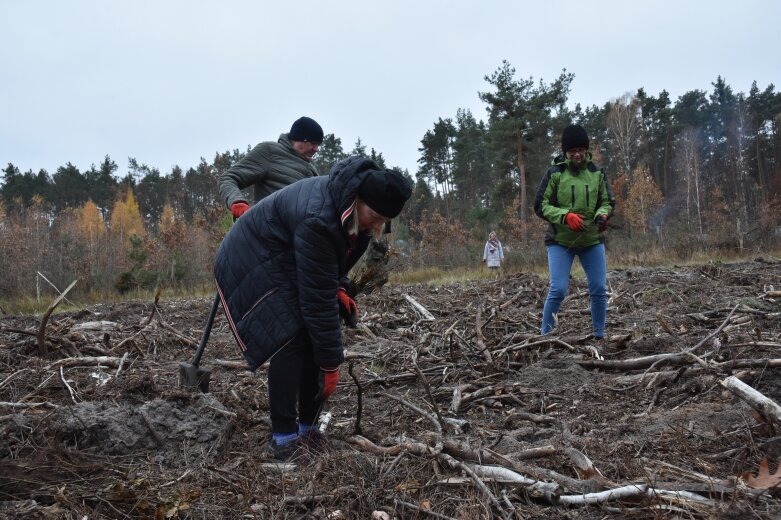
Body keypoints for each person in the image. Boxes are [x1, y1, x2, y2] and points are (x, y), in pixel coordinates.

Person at [214, 156, 412, 461]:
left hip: (289, 251)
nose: (377, 224)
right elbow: (315, 302)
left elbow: (334, 258)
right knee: (291, 335)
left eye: (384, 219)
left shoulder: (355, 215)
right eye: (374, 214)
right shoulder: (319, 218)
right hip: (252, 254)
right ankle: (283, 439)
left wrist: (341, 286)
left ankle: (307, 430)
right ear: (358, 199)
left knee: (312, 334)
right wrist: (332, 363)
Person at [533, 124, 615, 343]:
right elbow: (540, 205)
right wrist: (565, 216)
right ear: (564, 152)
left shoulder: (597, 173)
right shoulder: (555, 173)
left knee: (598, 288)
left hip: (591, 240)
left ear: (587, 150)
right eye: (572, 151)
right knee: (558, 289)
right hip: (560, 241)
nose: (577, 154)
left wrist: (602, 215)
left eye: (581, 149)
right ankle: (545, 337)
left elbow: (607, 202)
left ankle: (599, 337)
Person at [218, 116, 324, 219]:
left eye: (318, 145)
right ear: (300, 139)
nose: (316, 149)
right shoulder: (270, 152)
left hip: (302, 233)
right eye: (313, 143)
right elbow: (228, 178)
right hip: (269, 230)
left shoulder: (312, 170)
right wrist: (237, 202)